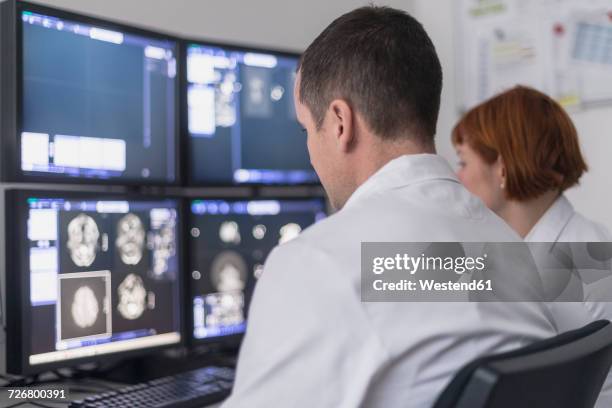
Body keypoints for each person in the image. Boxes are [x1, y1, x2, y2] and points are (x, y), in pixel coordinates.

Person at [221, 8, 556, 407]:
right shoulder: (508, 247)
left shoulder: (318, 262)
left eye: (307, 130)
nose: (310, 152)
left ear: (341, 122)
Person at [452, 85, 612, 406]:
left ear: (502, 168)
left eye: (463, 162)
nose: (458, 178)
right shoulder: (589, 242)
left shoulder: (566, 268)